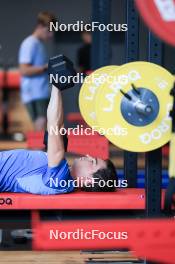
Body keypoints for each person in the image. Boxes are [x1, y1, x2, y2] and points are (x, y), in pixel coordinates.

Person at [0, 85, 117, 195]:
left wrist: (56, 86)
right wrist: (58, 87)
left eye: (93, 162)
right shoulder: (61, 171)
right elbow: (58, 127)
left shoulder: (61, 181)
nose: (89, 156)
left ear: (89, 180)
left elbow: (54, 126)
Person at [18, 11, 56, 131]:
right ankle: (38, 149)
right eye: (49, 31)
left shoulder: (39, 44)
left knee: (46, 126)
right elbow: (24, 70)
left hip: (42, 91)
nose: (51, 35)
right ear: (40, 27)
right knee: (40, 126)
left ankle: (43, 149)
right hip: (34, 93)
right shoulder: (29, 44)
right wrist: (46, 67)